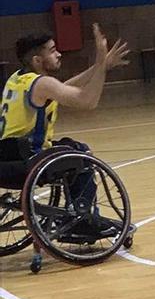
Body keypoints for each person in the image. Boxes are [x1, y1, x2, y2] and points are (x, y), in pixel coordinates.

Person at [0, 25, 130, 238]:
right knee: (80, 153)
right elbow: (88, 101)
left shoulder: (18, 78)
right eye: (52, 50)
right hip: (29, 159)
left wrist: (101, 67)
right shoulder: (43, 84)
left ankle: (75, 216)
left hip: (6, 156)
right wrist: (99, 59)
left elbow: (63, 89)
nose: (59, 53)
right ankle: (80, 220)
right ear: (37, 61)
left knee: (67, 146)